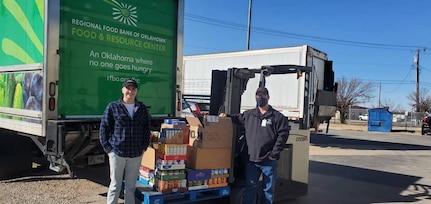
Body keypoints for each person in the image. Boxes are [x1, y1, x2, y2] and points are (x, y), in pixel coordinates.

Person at [220, 87, 289, 204]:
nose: (260, 98)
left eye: (262, 96)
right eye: (257, 96)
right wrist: (226, 116)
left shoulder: (277, 117)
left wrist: (274, 153)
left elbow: (283, 136)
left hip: (268, 161)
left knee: (268, 190)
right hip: (252, 160)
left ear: (268, 97)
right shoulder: (250, 114)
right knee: (250, 187)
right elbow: (237, 118)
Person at [100, 79, 151, 204]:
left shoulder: (142, 108)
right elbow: (104, 128)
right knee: (115, 186)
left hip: (135, 154)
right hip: (117, 153)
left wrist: (144, 148)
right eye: (128, 88)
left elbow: (147, 129)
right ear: (123, 90)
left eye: (133, 89)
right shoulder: (113, 107)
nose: (130, 91)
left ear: (136, 91)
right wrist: (109, 150)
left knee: (130, 187)